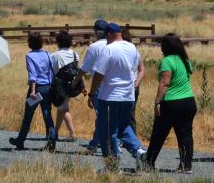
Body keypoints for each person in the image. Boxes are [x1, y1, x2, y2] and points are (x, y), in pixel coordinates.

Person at [89, 23, 147, 172]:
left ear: (109, 35)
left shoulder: (108, 49)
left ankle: (112, 164)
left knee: (107, 131)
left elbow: (99, 75)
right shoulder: (132, 48)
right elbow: (136, 68)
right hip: (128, 96)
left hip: (109, 96)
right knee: (124, 127)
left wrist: (91, 93)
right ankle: (139, 151)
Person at [144, 34, 196, 173]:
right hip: (189, 100)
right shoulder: (184, 60)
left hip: (171, 102)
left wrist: (157, 102)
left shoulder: (167, 61)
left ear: (166, 47)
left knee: (159, 134)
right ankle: (186, 165)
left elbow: (165, 83)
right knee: (185, 134)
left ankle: (149, 162)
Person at [10, 32, 56, 151]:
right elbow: (52, 71)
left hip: (37, 89)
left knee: (28, 115)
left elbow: (33, 75)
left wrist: (33, 90)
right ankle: (52, 140)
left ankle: (20, 141)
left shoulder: (29, 56)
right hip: (47, 88)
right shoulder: (47, 54)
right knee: (47, 114)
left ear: (30, 43)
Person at [75, 19, 109, 153]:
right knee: (110, 116)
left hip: (99, 84)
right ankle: (111, 141)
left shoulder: (94, 47)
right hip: (116, 85)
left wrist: (76, 80)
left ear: (96, 32)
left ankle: (95, 144)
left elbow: (84, 68)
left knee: (100, 117)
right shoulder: (114, 45)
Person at [50, 29, 79, 141]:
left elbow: (53, 71)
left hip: (60, 85)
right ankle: (55, 132)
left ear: (58, 42)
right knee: (61, 108)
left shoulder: (55, 56)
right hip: (72, 85)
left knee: (64, 109)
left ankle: (72, 134)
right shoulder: (74, 54)